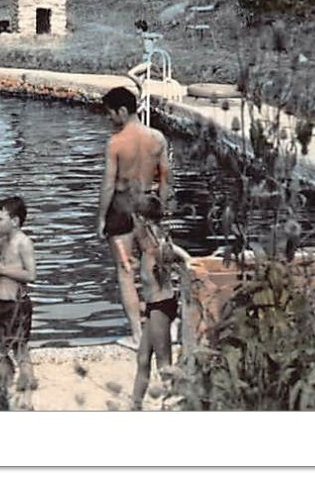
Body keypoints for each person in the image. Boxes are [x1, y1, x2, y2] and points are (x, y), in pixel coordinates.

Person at [95, 85, 171, 347]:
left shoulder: (116, 142)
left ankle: (138, 335)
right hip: (148, 204)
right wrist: (161, 208)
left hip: (121, 206)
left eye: (110, 113)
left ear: (123, 111)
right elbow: (165, 179)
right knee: (154, 268)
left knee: (125, 271)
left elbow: (107, 184)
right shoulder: (158, 138)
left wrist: (101, 218)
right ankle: (160, 329)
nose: (108, 119)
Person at [129, 195, 192, 410]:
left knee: (164, 363)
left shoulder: (158, 247)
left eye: (135, 220)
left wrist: (190, 272)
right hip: (153, 305)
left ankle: (176, 404)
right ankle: (135, 405)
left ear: (143, 220)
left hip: (160, 306)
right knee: (143, 359)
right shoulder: (148, 247)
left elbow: (182, 257)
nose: (132, 226)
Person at [0, 196, 37, 390]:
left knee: (20, 347)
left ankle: (27, 380)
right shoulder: (2, 241)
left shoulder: (23, 243)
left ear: (15, 221)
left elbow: (31, 274)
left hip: (16, 304)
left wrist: (2, 270)